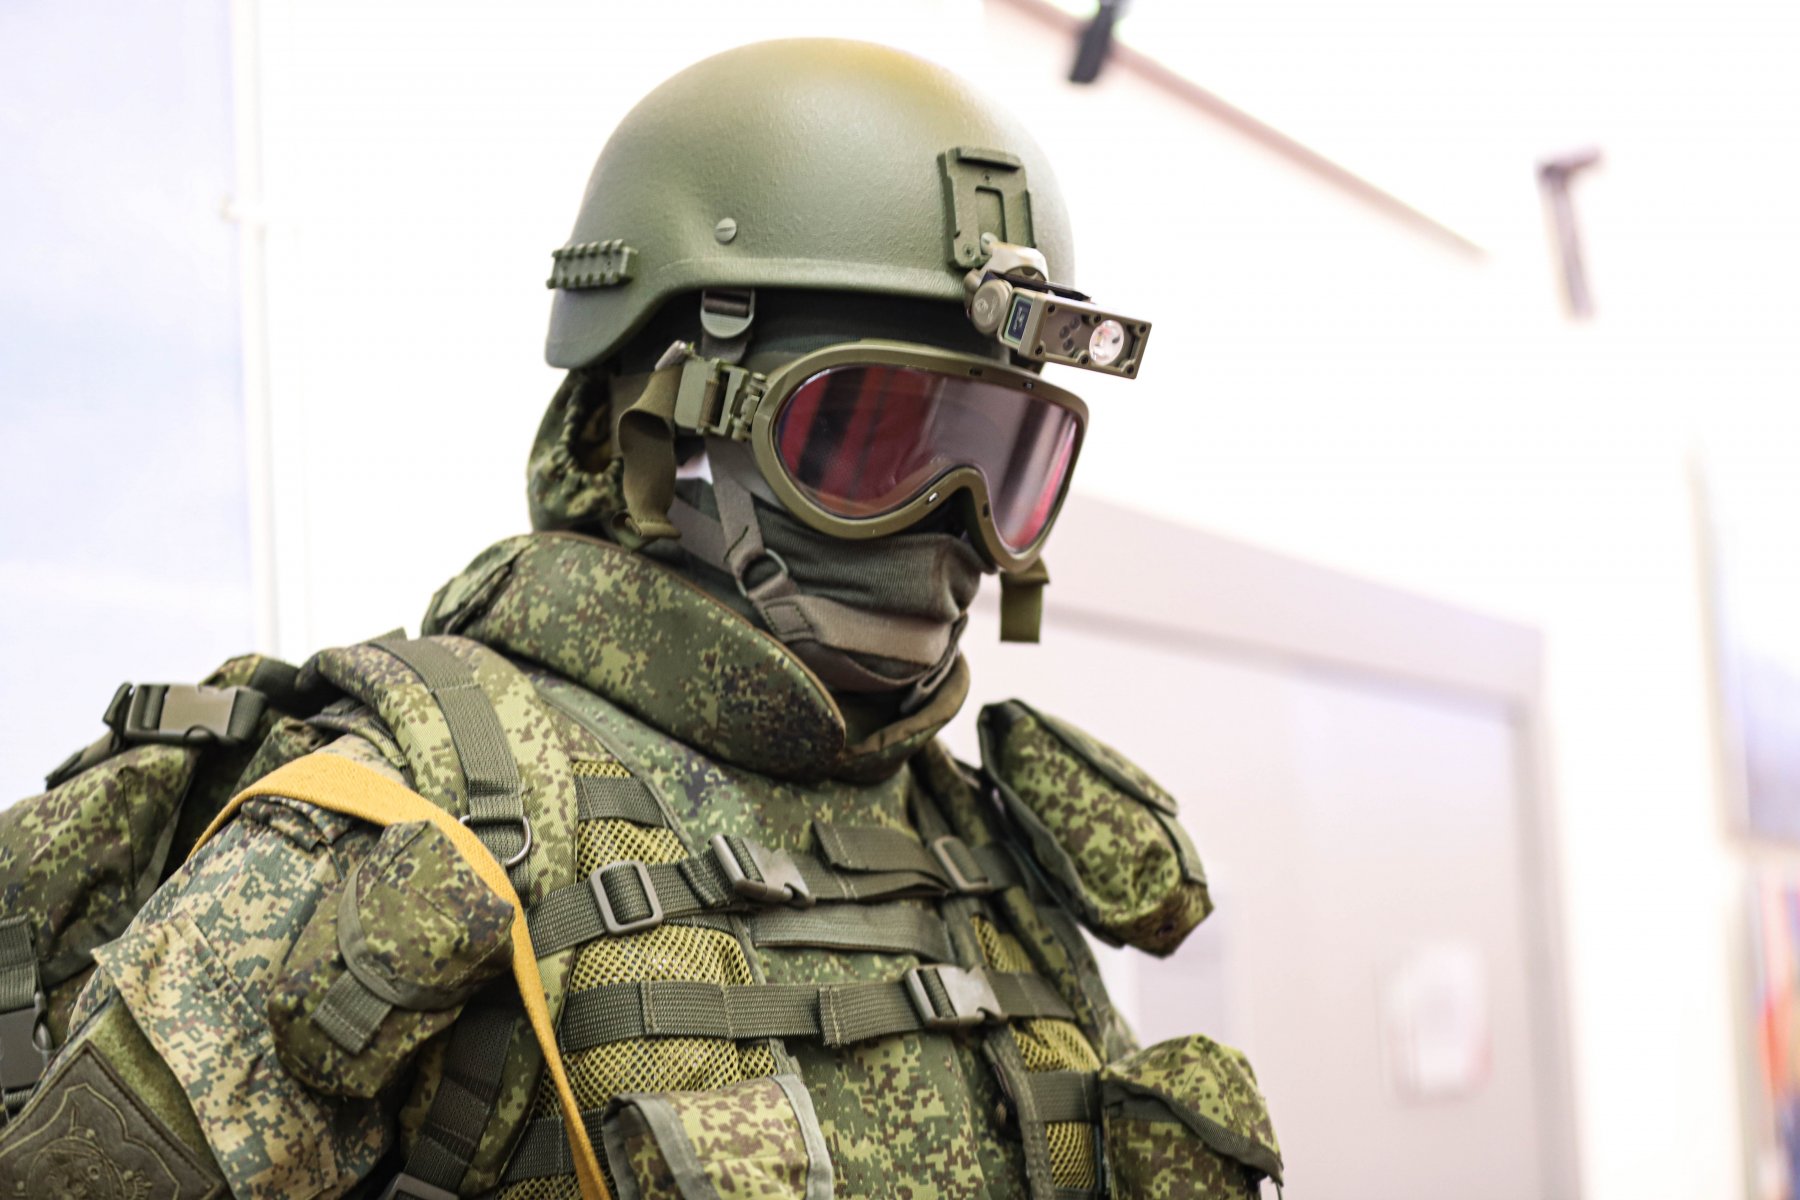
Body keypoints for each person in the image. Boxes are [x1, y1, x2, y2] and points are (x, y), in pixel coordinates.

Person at [0, 39, 1280, 1200]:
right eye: (868, 440)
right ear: (660, 429)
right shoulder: (420, 816)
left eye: (1006, 460)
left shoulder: (985, 846)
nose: (956, 522)